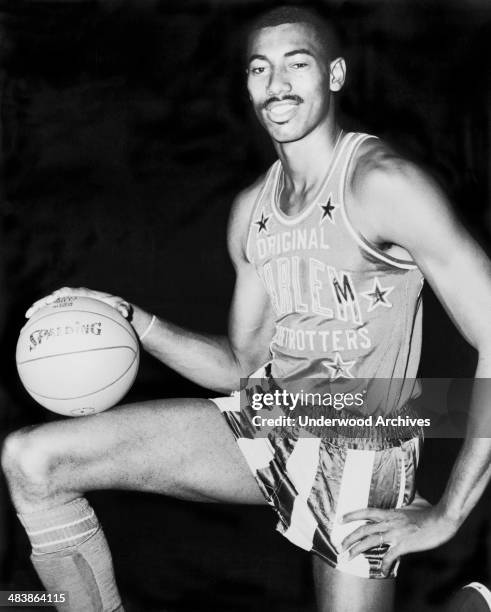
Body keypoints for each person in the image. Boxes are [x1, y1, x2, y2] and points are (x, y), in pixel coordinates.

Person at [2, 5, 491, 612]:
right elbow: (242, 365)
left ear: (334, 75)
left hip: (367, 429)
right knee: (32, 461)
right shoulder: (251, 211)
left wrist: (447, 515)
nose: (277, 84)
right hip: (274, 413)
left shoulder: (382, 185)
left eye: (298, 64)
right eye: (260, 69)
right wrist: (132, 320)